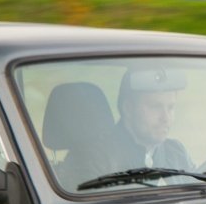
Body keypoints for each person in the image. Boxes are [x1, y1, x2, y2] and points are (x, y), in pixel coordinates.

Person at [63, 67, 194, 185]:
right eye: (155, 107)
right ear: (128, 109)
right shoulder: (91, 159)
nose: (166, 118)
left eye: (171, 107)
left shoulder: (177, 153)